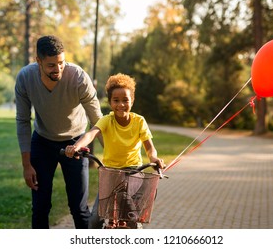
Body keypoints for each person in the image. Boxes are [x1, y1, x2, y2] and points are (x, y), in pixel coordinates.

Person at [15, 35, 103, 229]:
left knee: (79, 208)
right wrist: (26, 165)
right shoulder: (25, 78)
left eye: (61, 63)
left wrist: (114, 157)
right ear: (38, 61)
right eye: (51, 65)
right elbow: (22, 121)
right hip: (42, 142)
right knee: (40, 207)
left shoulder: (78, 77)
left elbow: (98, 120)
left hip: (76, 142)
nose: (58, 69)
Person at [64, 73, 164, 228]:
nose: (121, 105)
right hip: (110, 174)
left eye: (125, 100)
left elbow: (150, 148)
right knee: (95, 220)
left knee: (133, 219)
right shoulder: (106, 120)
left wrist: (154, 158)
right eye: (116, 100)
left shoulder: (139, 121)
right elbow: (91, 134)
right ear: (110, 102)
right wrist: (76, 146)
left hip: (133, 173)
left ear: (132, 100)